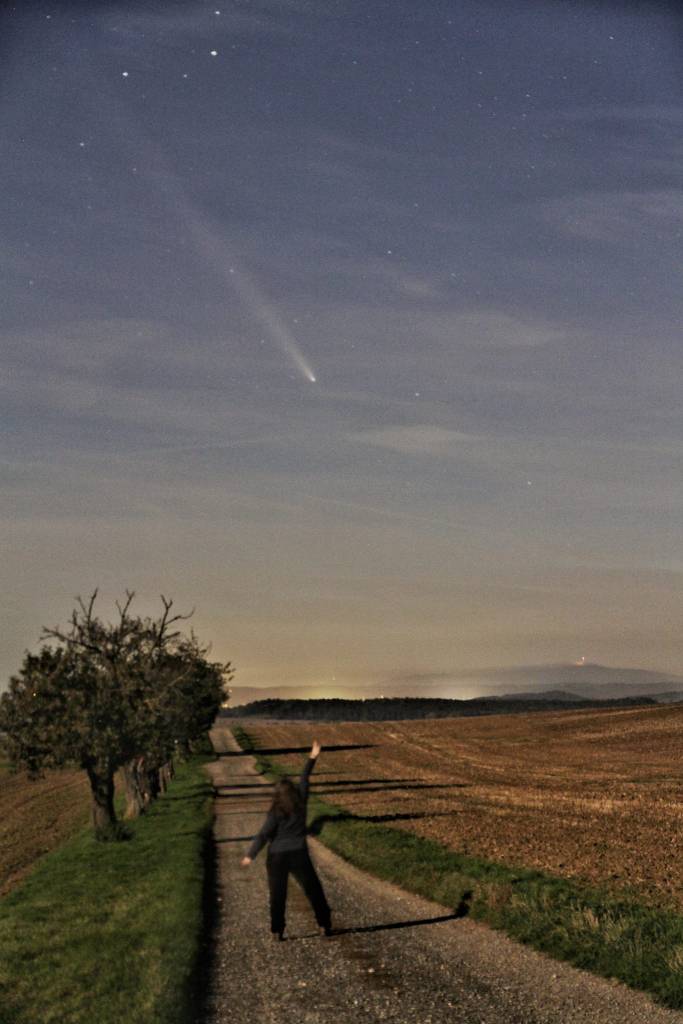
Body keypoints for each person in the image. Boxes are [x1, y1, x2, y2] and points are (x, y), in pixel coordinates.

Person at [240, 739, 332, 941]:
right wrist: (312, 757)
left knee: (278, 895)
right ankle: (324, 924)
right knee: (313, 890)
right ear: (293, 792)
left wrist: (250, 855)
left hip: (277, 857)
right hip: (299, 853)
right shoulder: (301, 803)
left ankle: (277, 930)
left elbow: (264, 834)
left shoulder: (276, 811)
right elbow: (305, 778)